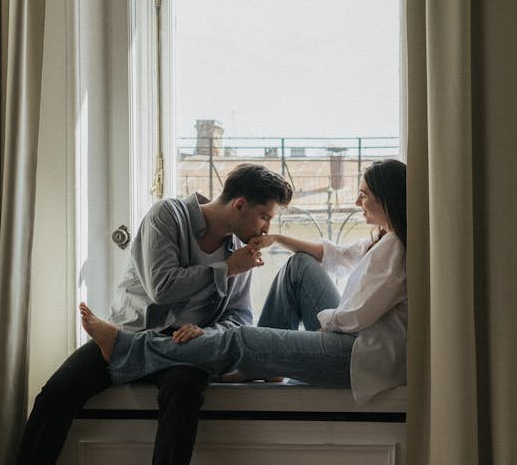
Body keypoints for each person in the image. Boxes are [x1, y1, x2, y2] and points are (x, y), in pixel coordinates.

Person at [0, 164, 293, 465]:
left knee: (185, 390)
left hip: (183, 349)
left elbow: (239, 319)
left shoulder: (241, 254)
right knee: (57, 393)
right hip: (132, 331)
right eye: (264, 216)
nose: (266, 228)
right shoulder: (168, 216)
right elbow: (161, 287)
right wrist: (225, 269)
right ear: (240, 203)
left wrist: (206, 333)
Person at [79, 158, 407, 409]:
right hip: (348, 345)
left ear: (386, 199)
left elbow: (356, 318)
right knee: (299, 266)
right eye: (265, 219)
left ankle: (126, 347)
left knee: (243, 339)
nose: (356, 203)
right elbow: (332, 255)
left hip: (356, 356)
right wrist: (276, 239)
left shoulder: (396, 247)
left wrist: (321, 327)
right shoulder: (381, 240)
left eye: (363, 196)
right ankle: (260, 364)